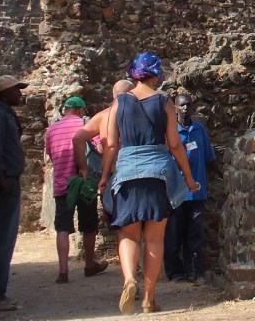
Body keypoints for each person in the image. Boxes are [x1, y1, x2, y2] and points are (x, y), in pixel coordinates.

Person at [98, 53, 198, 315]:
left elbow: (110, 144)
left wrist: (104, 176)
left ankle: (129, 279)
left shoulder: (119, 104)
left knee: (128, 234)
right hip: (158, 174)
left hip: (127, 172)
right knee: (154, 239)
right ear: (156, 75)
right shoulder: (164, 102)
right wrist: (188, 177)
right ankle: (149, 298)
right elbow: (175, 144)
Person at [45, 96, 108, 283]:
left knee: (62, 227)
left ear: (65, 110)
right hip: (84, 182)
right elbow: (100, 148)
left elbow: (49, 154)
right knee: (88, 225)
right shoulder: (85, 125)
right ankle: (89, 264)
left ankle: (63, 271)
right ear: (81, 110)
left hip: (62, 183)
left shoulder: (51, 129)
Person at [164, 94, 216, 283]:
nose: (186, 108)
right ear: (175, 109)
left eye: (188, 104)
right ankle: (175, 273)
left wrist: (223, 176)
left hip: (197, 193)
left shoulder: (199, 130)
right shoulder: (170, 131)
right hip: (176, 193)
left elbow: (210, 158)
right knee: (173, 235)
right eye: (182, 105)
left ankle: (195, 271)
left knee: (195, 235)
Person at [0, 75, 28, 314]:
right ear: (5, 93)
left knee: (4, 239)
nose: (20, 94)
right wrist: (1, 177)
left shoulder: (4, 114)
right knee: (1, 239)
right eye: (16, 90)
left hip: (8, 181)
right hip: (3, 185)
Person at [72, 80, 136, 182]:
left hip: (112, 172)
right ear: (133, 93)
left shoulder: (103, 116)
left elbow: (77, 139)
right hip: (137, 169)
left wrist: (83, 168)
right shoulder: (143, 114)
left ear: (113, 95)